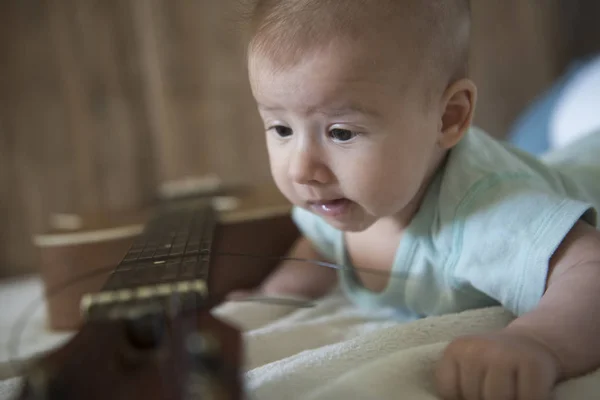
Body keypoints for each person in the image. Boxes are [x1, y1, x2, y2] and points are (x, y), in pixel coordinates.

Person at [233, 1, 600, 399]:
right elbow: (317, 244)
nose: (302, 169)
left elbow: (590, 268)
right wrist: (279, 292)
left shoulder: (487, 210)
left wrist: (540, 342)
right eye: (282, 129)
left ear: (448, 119)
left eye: (341, 133)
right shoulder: (336, 199)